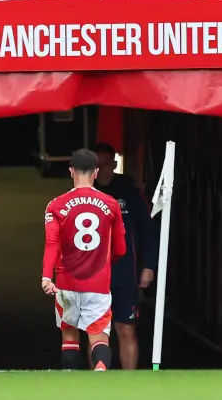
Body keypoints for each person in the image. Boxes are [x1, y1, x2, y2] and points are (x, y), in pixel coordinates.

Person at [41, 148, 126, 371]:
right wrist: (105, 263)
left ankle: (70, 382)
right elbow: (121, 249)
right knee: (99, 337)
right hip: (98, 284)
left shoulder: (56, 205)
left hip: (66, 283)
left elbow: (51, 244)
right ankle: (100, 372)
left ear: (71, 172)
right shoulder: (111, 204)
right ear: (96, 172)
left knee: (69, 337)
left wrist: (46, 276)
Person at [92, 142, 156, 370]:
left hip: (125, 274)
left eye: (105, 164)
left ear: (113, 164)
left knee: (126, 329)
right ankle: (99, 385)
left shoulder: (130, 193)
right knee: (96, 332)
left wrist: (149, 266)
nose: (101, 169)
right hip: (93, 276)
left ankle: (130, 383)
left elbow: (148, 230)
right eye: (96, 164)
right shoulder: (82, 193)